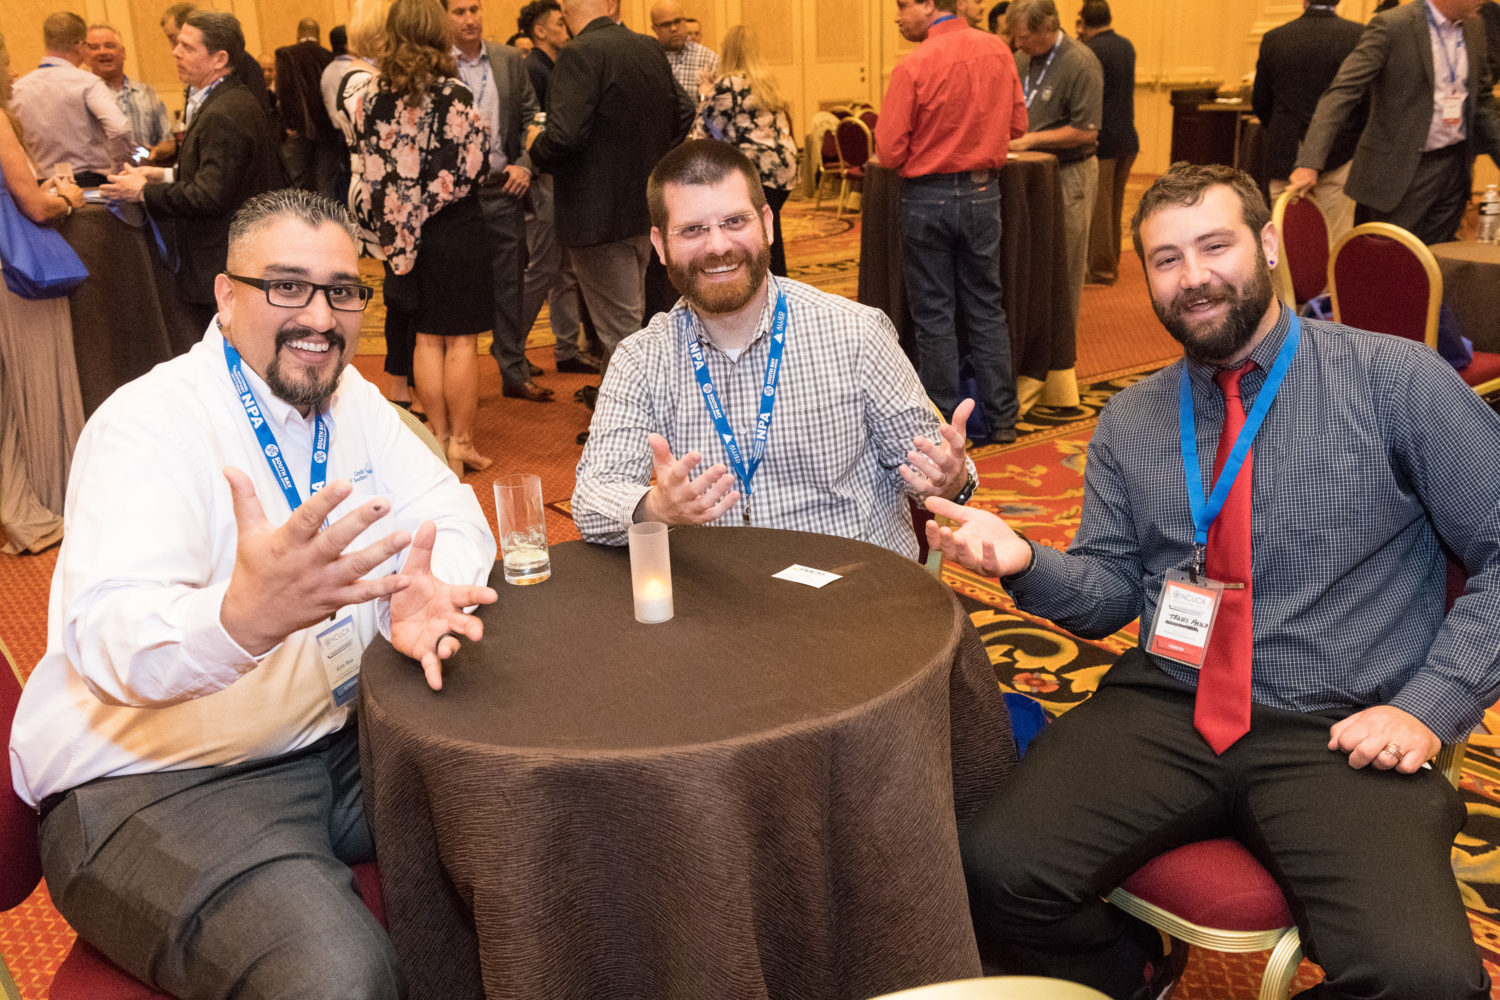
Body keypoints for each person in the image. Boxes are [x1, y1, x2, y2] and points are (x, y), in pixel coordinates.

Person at [926, 162, 1500, 1000]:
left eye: (1214, 246)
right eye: (1167, 259)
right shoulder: (1132, 418)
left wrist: (1428, 705)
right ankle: (1133, 972)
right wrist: (1024, 560)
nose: (1192, 276)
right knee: (987, 871)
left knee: (1427, 982)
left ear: (1266, 244)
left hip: (1339, 726)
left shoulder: (1393, 381)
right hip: (1168, 701)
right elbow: (1111, 592)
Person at [9, 188, 498, 1000]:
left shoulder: (352, 399)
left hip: (332, 743)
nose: (320, 317)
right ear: (227, 297)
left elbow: (450, 513)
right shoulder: (148, 424)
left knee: (534, 819)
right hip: (155, 780)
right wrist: (238, 622)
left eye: (341, 291)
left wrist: (414, 588)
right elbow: (105, 638)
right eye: (287, 286)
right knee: (338, 980)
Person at [572, 140, 978, 558]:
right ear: (660, 246)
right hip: (718, 591)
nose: (718, 246)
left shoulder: (855, 333)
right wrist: (656, 507)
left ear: (767, 224)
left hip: (853, 584)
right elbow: (591, 502)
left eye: (735, 221)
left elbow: (934, 478)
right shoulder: (641, 359)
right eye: (693, 230)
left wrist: (950, 479)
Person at [350, 0, 494, 474]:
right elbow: (475, 167)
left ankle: (437, 439)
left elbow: (371, 174)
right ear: (436, 31)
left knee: (427, 340)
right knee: (461, 342)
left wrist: (403, 221)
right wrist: (430, 201)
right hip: (457, 228)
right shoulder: (455, 94)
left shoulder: (370, 97)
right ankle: (463, 445)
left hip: (402, 234)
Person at [876, 0, 1026, 444]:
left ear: (928, 5)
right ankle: (1003, 419)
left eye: (903, 5)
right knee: (987, 307)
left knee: (934, 313)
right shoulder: (998, 50)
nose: (898, 16)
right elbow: (1018, 126)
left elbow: (889, 152)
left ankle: (943, 424)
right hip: (983, 193)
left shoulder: (914, 65)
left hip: (926, 198)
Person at [528, 0, 692, 368]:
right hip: (643, 208)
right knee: (625, 322)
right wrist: (652, 156)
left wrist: (535, 146)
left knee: (621, 333)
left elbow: (564, 136)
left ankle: (640, 405)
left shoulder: (578, 53)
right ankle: (612, 401)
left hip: (597, 217)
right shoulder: (647, 46)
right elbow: (684, 110)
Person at [102, 10, 285, 335]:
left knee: (229, 345)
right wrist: (163, 176)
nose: (175, 52)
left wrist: (142, 192)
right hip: (234, 251)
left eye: (187, 47)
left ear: (219, 59)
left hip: (222, 256)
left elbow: (208, 196)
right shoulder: (226, 99)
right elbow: (219, 175)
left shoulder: (223, 112)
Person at [1291, 0, 1500, 246]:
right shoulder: (1392, 26)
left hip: (1454, 169)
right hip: (1399, 174)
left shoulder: (1475, 26)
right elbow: (1342, 93)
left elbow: (1482, 100)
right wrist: (1310, 162)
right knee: (1391, 259)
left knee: (1441, 259)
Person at [0, 31, 86, 555]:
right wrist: (68, 199)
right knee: (37, 384)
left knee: (6, 396)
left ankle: (14, 503)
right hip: (14, 273)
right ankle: (49, 500)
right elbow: (33, 206)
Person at [444, 0, 553, 404]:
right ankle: (457, 380)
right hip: (455, 199)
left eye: (474, 9)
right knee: (458, 288)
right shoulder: (436, 62)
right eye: (459, 12)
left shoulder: (507, 59)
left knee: (510, 286)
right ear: (444, 17)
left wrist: (525, 164)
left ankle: (513, 371)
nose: (470, 18)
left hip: (504, 189)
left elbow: (533, 116)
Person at [1007, 0, 1102, 345]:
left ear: (1047, 28)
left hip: (1069, 173)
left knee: (1065, 265)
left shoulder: (1081, 62)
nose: (1017, 44)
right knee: (1029, 264)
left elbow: (1086, 131)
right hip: (1027, 175)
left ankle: (1061, 349)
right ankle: (1033, 345)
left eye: (1023, 36)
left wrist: (1031, 140)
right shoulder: (1021, 59)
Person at [516, 0, 601, 376]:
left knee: (564, 269)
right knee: (544, 267)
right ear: (540, 31)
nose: (566, 28)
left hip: (557, 177)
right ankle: (511, 348)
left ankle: (567, 348)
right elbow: (530, 128)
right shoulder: (534, 69)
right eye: (558, 23)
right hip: (540, 177)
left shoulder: (555, 65)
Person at [1252, 1, 1364, 242]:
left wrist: (1279, 129)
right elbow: (1365, 103)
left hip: (1285, 153)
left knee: (1285, 241)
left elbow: (1260, 101)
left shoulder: (1275, 38)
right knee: (1335, 240)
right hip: (1339, 152)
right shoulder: (1357, 36)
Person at [696, 25, 799, 277]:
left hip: (756, 170)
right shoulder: (765, 79)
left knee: (762, 238)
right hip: (784, 169)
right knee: (769, 231)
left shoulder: (728, 83)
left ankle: (769, 287)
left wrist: (704, 95)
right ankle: (775, 284)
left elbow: (704, 131)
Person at [9, 12, 133, 186]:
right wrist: (119, 169)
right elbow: (119, 129)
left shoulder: (18, 88)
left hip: (45, 185)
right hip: (91, 184)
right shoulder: (88, 83)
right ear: (80, 46)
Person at [1077, 0, 1139, 285]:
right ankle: (1110, 261)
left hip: (1103, 141)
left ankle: (1101, 270)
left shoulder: (1090, 51)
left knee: (1099, 210)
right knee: (1114, 207)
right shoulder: (1126, 45)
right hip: (1127, 136)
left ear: (1083, 21)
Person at [160, 2, 272, 115]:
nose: (175, 51)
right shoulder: (196, 75)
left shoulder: (244, 65)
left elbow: (257, 112)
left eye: (172, 38)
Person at [84, 23, 172, 159]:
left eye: (109, 46)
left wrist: (155, 152)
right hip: (102, 172)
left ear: (123, 52)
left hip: (142, 170)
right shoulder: (81, 97)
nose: (102, 52)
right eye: (94, 47)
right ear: (86, 56)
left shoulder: (147, 94)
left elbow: (168, 142)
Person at [276, 16, 341, 198]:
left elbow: (283, 91)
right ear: (318, 36)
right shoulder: (329, 56)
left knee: (294, 184)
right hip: (327, 131)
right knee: (325, 185)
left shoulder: (285, 55)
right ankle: (327, 217)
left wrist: (287, 125)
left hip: (297, 129)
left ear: (298, 35)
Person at [650, 0, 716, 97]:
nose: (673, 28)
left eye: (677, 22)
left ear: (684, 22)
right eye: (666, 24)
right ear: (655, 29)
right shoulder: (648, 60)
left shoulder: (709, 59)